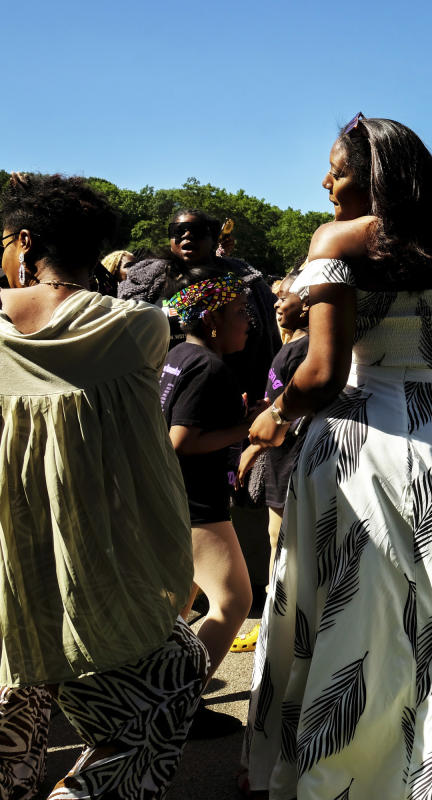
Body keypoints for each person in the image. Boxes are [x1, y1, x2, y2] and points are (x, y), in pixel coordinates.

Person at [243, 116, 432, 798]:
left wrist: (274, 415)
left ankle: (347, 764)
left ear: (374, 176)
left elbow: (320, 374)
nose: (326, 181)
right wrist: (431, 389)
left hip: (356, 442)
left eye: (338, 170)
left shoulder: (339, 242)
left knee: (356, 601)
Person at [0, 173, 206, 798]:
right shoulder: (139, 328)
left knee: (16, 708)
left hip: (9, 569)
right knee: (174, 670)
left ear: (27, 241)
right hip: (95, 569)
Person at [159, 271, 259, 736]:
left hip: (171, 496)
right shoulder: (209, 367)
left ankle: (156, 694)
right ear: (215, 319)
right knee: (234, 600)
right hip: (197, 502)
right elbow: (181, 440)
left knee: (181, 602)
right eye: (240, 312)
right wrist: (250, 428)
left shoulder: (178, 354)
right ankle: (182, 707)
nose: (249, 321)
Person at [232, 269, 313, 653]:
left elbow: (296, 413)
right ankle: (275, 624)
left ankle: (277, 630)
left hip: (292, 459)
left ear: (309, 300)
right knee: (275, 542)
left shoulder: (306, 349)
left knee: (284, 546)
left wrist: (254, 446)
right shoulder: (291, 345)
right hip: (281, 459)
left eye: (285, 296)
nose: (276, 302)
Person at [120, 208, 281, 401]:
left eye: (196, 230)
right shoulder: (148, 282)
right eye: (178, 231)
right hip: (163, 394)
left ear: (213, 238)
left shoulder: (240, 280)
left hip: (233, 393)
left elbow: (267, 338)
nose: (187, 235)